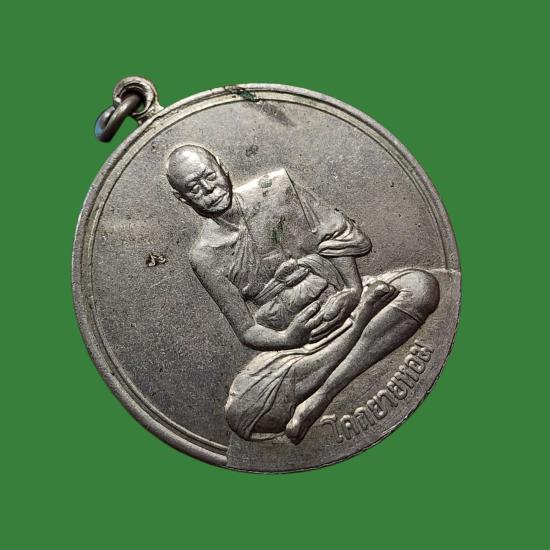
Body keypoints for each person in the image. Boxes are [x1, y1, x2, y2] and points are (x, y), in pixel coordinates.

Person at [166, 144, 440, 444]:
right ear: (182, 198)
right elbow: (247, 330)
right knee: (242, 414)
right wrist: (289, 338)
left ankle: (323, 394)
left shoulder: (276, 188)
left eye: (210, 176)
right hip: (300, 343)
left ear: (222, 166)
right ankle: (359, 330)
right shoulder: (205, 255)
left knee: (421, 287)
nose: (209, 189)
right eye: (194, 188)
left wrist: (352, 289)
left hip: (343, 300)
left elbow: (337, 234)